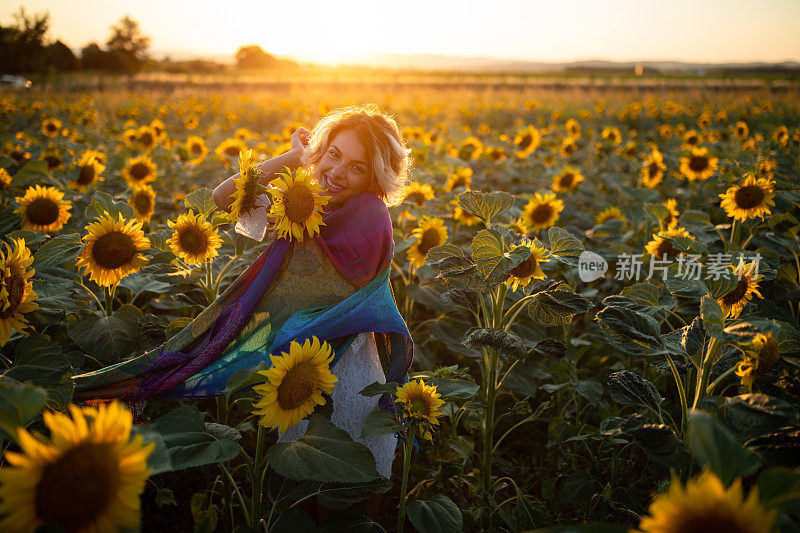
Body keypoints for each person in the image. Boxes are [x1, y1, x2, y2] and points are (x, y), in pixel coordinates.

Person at [74, 105, 414, 519]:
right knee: (298, 500)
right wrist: (295, 158)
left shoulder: (367, 214)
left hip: (351, 374)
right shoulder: (301, 204)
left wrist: (299, 194)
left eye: (357, 167)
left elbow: (331, 294)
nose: (338, 171)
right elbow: (224, 198)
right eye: (333, 154)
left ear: (374, 179)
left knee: (359, 493)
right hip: (299, 371)